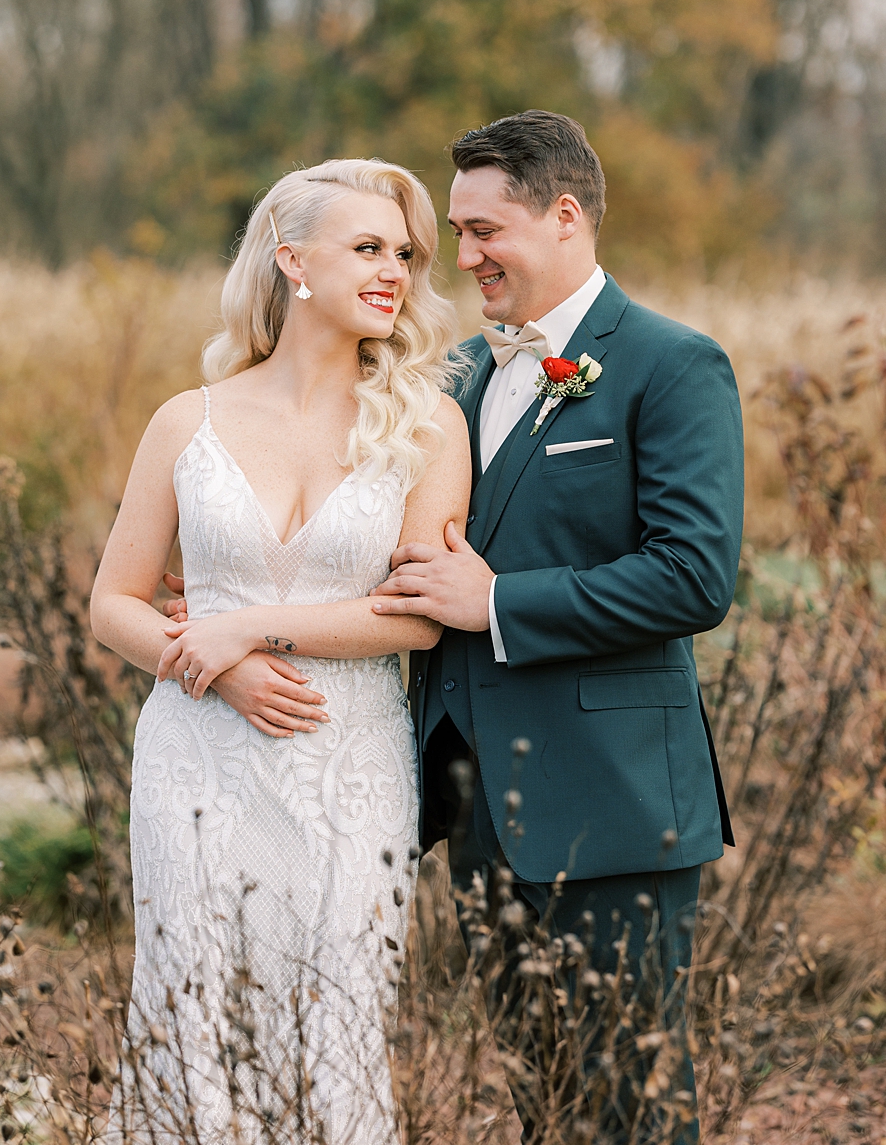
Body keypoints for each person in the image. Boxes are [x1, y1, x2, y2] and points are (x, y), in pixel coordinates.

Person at [371, 110, 739, 1145]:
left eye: (486, 228)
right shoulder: (456, 375)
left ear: (564, 214)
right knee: (542, 1103)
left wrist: (492, 601)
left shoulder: (669, 364)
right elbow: (401, 550)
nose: (464, 253)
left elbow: (691, 576)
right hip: (479, 804)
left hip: (614, 802)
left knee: (629, 1106)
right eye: (457, 230)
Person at [89, 158, 471, 1144]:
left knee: (335, 1011)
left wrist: (245, 629)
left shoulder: (428, 423)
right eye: (366, 247)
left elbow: (415, 616)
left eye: (402, 252)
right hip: (195, 755)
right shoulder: (188, 419)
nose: (392, 269)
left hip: (351, 756)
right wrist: (216, 667)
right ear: (291, 260)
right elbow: (114, 603)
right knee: (189, 1004)